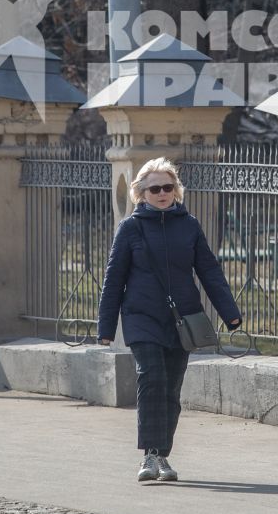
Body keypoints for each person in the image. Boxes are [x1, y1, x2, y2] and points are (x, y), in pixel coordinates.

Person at [96, 157, 242, 484]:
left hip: (182, 319)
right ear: (141, 193)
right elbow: (113, 279)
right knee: (152, 377)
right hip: (141, 317)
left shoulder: (188, 225)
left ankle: (163, 453)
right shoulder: (130, 229)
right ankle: (149, 455)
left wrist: (229, 312)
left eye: (168, 187)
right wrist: (105, 328)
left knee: (171, 388)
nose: (162, 193)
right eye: (155, 188)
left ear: (175, 190)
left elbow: (209, 271)